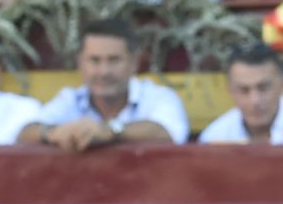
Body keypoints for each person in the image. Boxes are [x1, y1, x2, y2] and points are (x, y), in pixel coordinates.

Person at [22, 18, 191, 148]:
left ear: (134, 63)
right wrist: (52, 134)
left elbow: (168, 133)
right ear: (80, 63)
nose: (104, 72)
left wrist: (110, 130)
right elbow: (25, 133)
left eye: (114, 60)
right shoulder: (70, 99)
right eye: (94, 60)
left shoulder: (159, 97)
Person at [198, 44, 283, 142]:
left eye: (263, 88)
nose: (255, 101)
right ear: (230, 90)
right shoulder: (214, 137)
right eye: (244, 90)